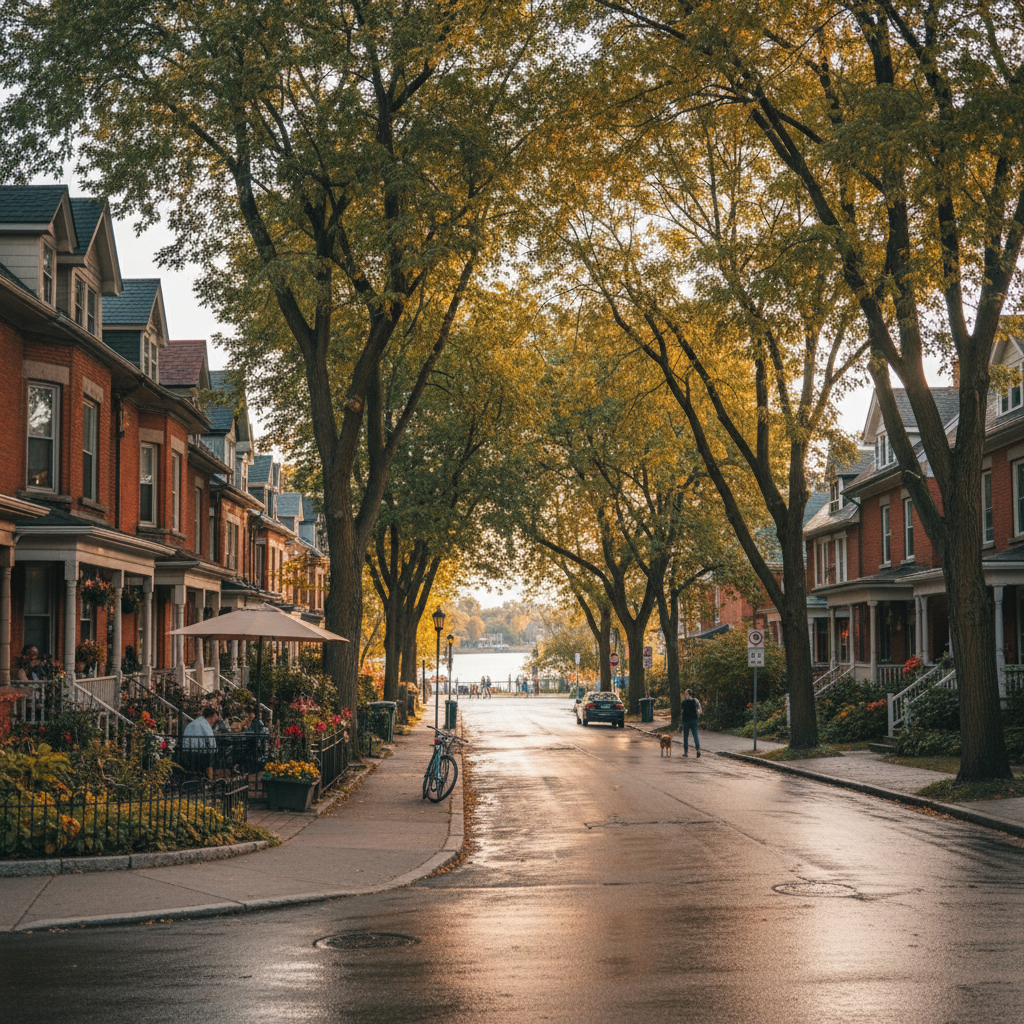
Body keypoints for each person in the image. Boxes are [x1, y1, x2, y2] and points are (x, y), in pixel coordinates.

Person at [181, 705, 219, 778]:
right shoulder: (205, 724)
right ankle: (209, 780)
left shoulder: (194, 722)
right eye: (215, 719)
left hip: (186, 752)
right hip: (199, 754)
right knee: (211, 760)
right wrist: (215, 751)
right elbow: (211, 742)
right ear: (212, 717)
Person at [680, 688, 702, 758]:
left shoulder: (684, 702)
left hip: (686, 721)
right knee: (695, 735)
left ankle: (686, 752)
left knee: (685, 737)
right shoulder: (695, 700)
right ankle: (698, 750)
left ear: (687, 694)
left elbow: (682, 711)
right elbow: (699, 710)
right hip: (693, 720)